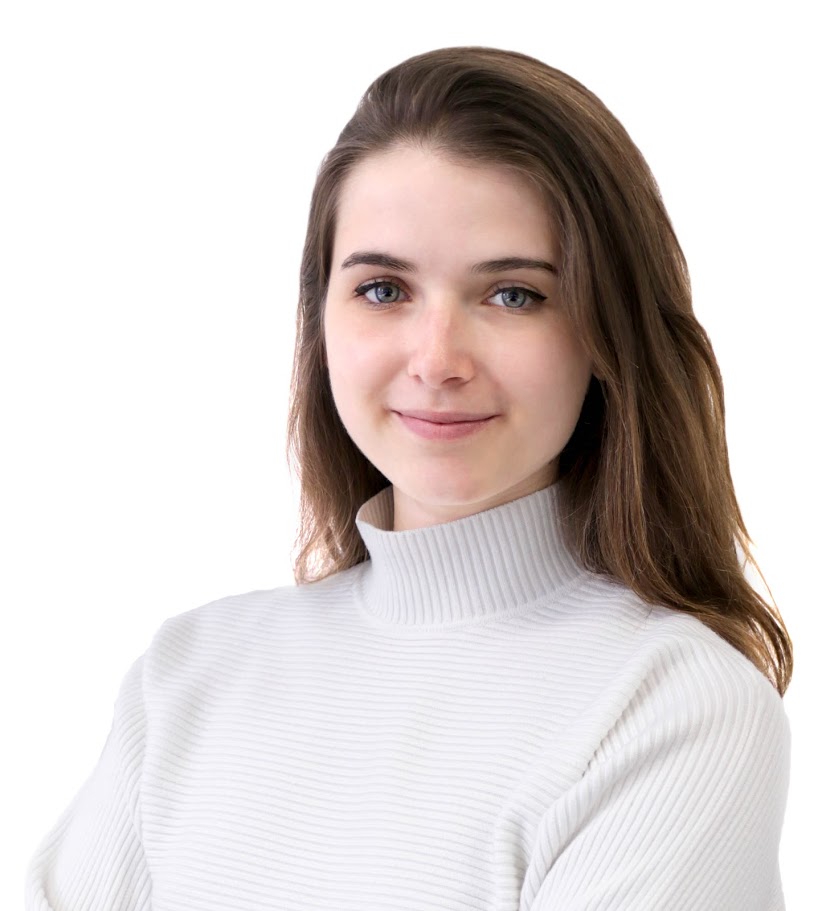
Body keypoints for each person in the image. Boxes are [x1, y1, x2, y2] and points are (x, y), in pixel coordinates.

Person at [25, 46, 792, 910]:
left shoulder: (672, 708)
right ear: (321, 320)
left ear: (607, 330)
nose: (437, 360)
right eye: (385, 289)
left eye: (513, 295)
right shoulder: (188, 676)